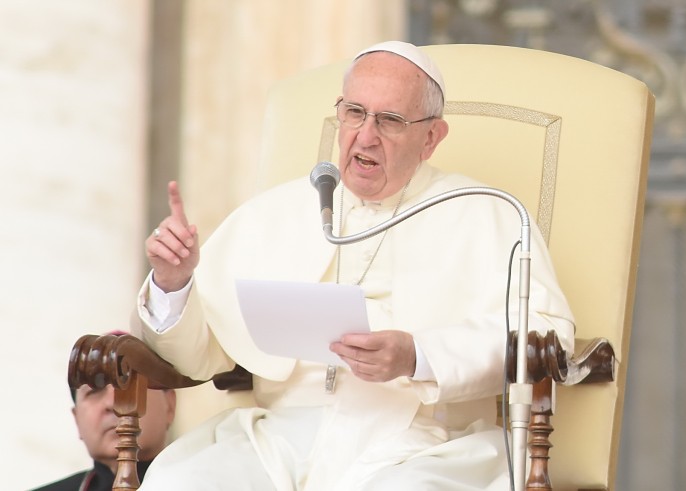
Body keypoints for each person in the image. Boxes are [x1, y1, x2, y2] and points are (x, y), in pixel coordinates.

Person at [131, 40, 575, 490]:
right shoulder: (276, 211)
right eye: (354, 113)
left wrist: (419, 355)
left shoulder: (487, 213)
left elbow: (548, 334)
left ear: (431, 138)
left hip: (423, 444)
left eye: (390, 120)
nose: (366, 136)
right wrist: (174, 283)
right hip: (279, 440)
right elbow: (196, 354)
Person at [31, 337, 177, 491]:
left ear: (170, 405)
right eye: (94, 391)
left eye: (129, 383)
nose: (112, 403)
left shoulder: (201, 483)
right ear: (77, 420)